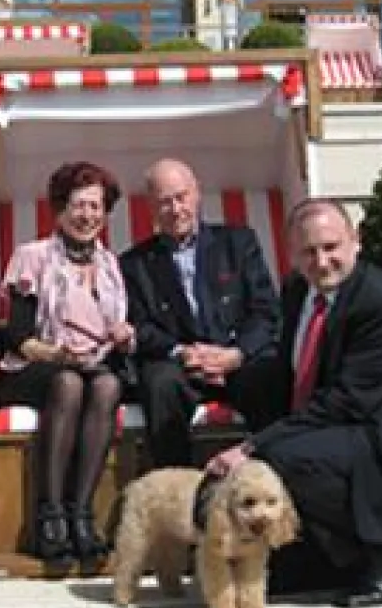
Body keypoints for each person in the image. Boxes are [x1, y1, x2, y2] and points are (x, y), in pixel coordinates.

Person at [206, 198, 382, 608]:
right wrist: (226, 376)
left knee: (285, 457)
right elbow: (293, 364)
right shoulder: (297, 290)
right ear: (292, 255)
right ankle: (324, 557)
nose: (322, 261)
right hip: (345, 420)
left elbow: (345, 401)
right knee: (257, 386)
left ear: (356, 242)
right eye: (309, 252)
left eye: (331, 247)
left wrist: (252, 446)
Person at [0, 161, 135, 569]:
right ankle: (50, 516)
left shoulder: (111, 266)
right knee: (70, 383)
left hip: (93, 366)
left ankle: (82, 515)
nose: (87, 216)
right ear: (59, 208)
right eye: (78, 205)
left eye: (95, 207)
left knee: (106, 386)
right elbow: (17, 338)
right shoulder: (33, 256)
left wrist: (123, 334)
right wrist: (60, 356)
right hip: (32, 367)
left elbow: (114, 335)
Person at [118, 158, 281, 469]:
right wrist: (182, 353)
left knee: (268, 375)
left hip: (236, 357)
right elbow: (141, 326)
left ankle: (271, 475)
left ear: (197, 194)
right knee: (160, 383)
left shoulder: (238, 242)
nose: (176, 209)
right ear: (151, 207)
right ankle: (177, 483)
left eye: (181, 197)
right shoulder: (134, 264)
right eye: (165, 202)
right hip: (179, 364)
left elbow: (265, 311)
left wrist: (236, 354)